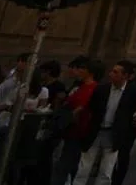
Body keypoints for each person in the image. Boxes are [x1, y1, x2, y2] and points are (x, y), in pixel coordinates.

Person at [75, 60, 136, 185]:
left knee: (106, 170)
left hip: (114, 134)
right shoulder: (102, 89)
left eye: (116, 72)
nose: (111, 74)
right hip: (96, 131)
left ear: (125, 76)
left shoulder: (133, 92)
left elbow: (132, 113)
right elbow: (92, 108)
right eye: (112, 71)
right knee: (84, 167)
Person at [52, 57, 102, 185]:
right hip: (70, 131)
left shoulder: (93, 89)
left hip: (79, 132)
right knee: (67, 166)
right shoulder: (80, 87)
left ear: (89, 72)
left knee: (65, 166)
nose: (78, 71)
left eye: (81, 68)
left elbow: (82, 108)